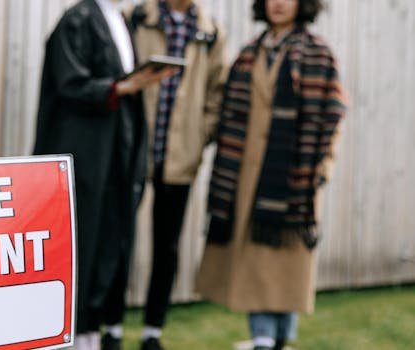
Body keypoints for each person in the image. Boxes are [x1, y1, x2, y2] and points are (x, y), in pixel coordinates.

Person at [195, 0, 346, 349]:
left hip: (294, 177)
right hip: (246, 178)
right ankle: (264, 337)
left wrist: (323, 169)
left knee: (285, 264)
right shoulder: (250, 53)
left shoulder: (318, 53)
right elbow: (226, 114)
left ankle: (278, 338)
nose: (278, 3)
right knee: (256, 262)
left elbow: (333, 114)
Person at [33, 1, 176, 349]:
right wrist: (122, 88)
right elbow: (70, 82)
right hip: (83, 154)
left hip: (115, 152)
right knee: (80, 241)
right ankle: (71, 332)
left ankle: (90, 331)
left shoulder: (120, 21)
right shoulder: (77, 20)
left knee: (108, 240)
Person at [98, 1, 227, 349]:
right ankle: (111, 326)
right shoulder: (136, 19)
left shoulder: (211, 33)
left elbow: (217, 93)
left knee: (166, 246)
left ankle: (153, 331)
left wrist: (200, 135)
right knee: (119, 240)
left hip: (181, 156)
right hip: (132, 152)